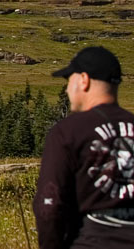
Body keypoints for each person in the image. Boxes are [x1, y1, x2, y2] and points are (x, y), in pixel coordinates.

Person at [33, 46, 134, 249]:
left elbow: (50, 204)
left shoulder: (68, 132)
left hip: (91, 240)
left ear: (84, 80)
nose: (67, 88)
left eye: (69, 80)